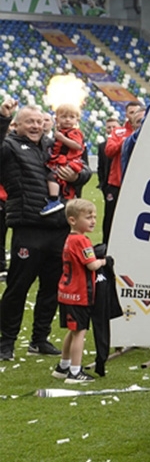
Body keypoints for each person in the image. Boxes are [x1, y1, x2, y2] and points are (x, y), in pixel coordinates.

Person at [0, 101, 92, 361]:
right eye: (30, 121)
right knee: (18, 287)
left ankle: (39, 339)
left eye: (39, 122)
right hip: (28, 227)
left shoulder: (53, 144)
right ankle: (6, 341)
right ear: (17, 125)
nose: (36, 126)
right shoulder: (9, 146)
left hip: (59, 227)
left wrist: (78, 176)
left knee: (52, 287)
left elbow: (83, 165)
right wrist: (2, 118)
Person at [52, 198, 103, 383]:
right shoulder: (82, 240)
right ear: (72, 220)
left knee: (73, 331)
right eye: (88, 217)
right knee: (80, 332)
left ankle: (63, 366)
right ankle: (75, 371)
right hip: (79, 294)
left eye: (94, 217)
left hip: (66, 292)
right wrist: (104, 261)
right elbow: (92, 265)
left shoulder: (70, 239)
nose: (93, 221)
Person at [102, 100, 145, 248]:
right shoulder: (118, 132)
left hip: (136, 185)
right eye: (131, 112)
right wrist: (127, 141)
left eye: (137, 112)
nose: (134, 115)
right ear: (127, 115)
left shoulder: (149, 133)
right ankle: (107, 247)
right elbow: (109, 151)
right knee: (111, 218)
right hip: (117, 184)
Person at [43, 103, 85, 216]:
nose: (67, 120)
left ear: (77, 120)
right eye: (64, 117)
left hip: (69, 161)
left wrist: (62, 138)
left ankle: (54, 199)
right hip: (62, 160)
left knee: (52, 176)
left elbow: (78, 146)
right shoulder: (61, 132)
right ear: (57, 119)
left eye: (71, 117)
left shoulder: (74, 132)